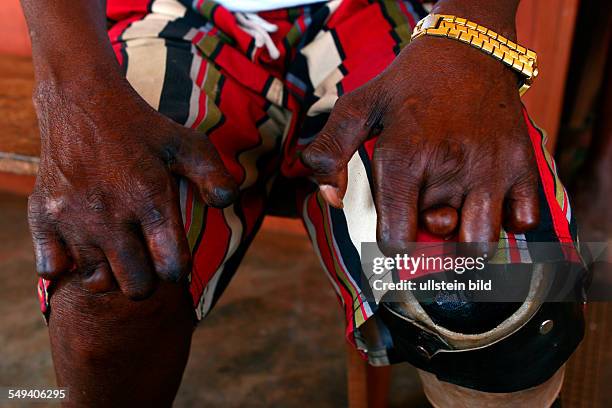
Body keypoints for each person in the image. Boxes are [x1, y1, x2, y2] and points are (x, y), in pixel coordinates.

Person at [21, 0, 584, 406]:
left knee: (492, 290)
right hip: (165, 12)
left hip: (390, 14)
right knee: (113, 264)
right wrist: (73, 93)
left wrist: (474, 30)